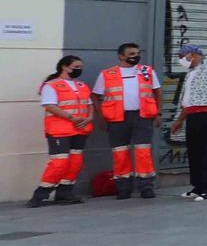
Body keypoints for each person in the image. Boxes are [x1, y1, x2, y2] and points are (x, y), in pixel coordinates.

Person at [94, 42, 163, 200]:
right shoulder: (107, 74)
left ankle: (146, 187)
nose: (136, 56)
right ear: (121, 56)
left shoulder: (147, 71)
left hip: (142, 117)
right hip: (117, 118)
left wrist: (158, 112)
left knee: (143, 152)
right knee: (120, 153)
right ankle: (123, 188)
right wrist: (101, 116)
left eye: (137, 53)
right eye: (131, 54)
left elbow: (157, 91)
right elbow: (95, 96)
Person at [29, 55, 92, 207]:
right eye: (76, 66)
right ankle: (40, 195)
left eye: (80, 67)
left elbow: (89, 105)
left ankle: (64, 193)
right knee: (60, 162)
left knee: (75, 161)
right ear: (64, 67)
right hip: (60, 130)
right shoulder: (51, 85)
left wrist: (89, 118)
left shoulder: (82, 86)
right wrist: (72, 118)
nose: (79, 69)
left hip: (80, 129)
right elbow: (50, 106)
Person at [168, 43, 207, 201]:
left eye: (182, 57)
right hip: (193, 115)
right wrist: (180, 120)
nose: (181, 60)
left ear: (192, 55)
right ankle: (198, 186)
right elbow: (188, 100)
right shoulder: (191, 72)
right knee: (194, 151)